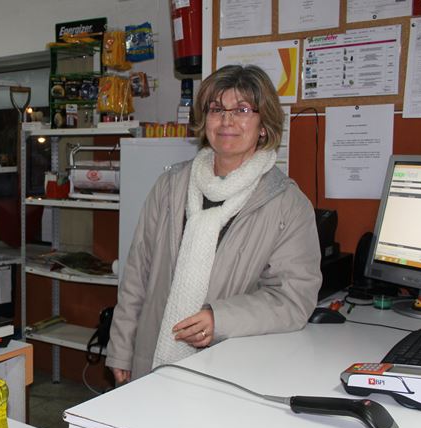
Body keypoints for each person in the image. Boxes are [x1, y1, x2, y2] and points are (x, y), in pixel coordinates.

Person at [106, 65, 322, 383]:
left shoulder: (287, 204)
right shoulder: (170, 186)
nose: (227, 120)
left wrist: (219, 318)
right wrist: (121, 347)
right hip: (152, 357)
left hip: (229, 370)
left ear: (264, 126)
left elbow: (292, 299)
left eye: (243, 109)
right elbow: (137, 275)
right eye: (216, 109)